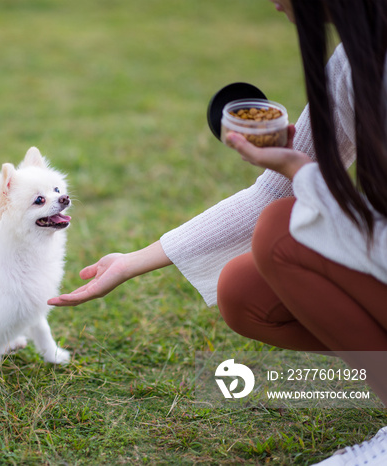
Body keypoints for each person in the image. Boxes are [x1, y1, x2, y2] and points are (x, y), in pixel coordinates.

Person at [48, 1, 387, 464]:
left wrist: (304, 173)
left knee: (280, 236)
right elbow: (271, 192)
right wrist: (130, 263)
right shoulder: (357, 58)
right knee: (244, 292)